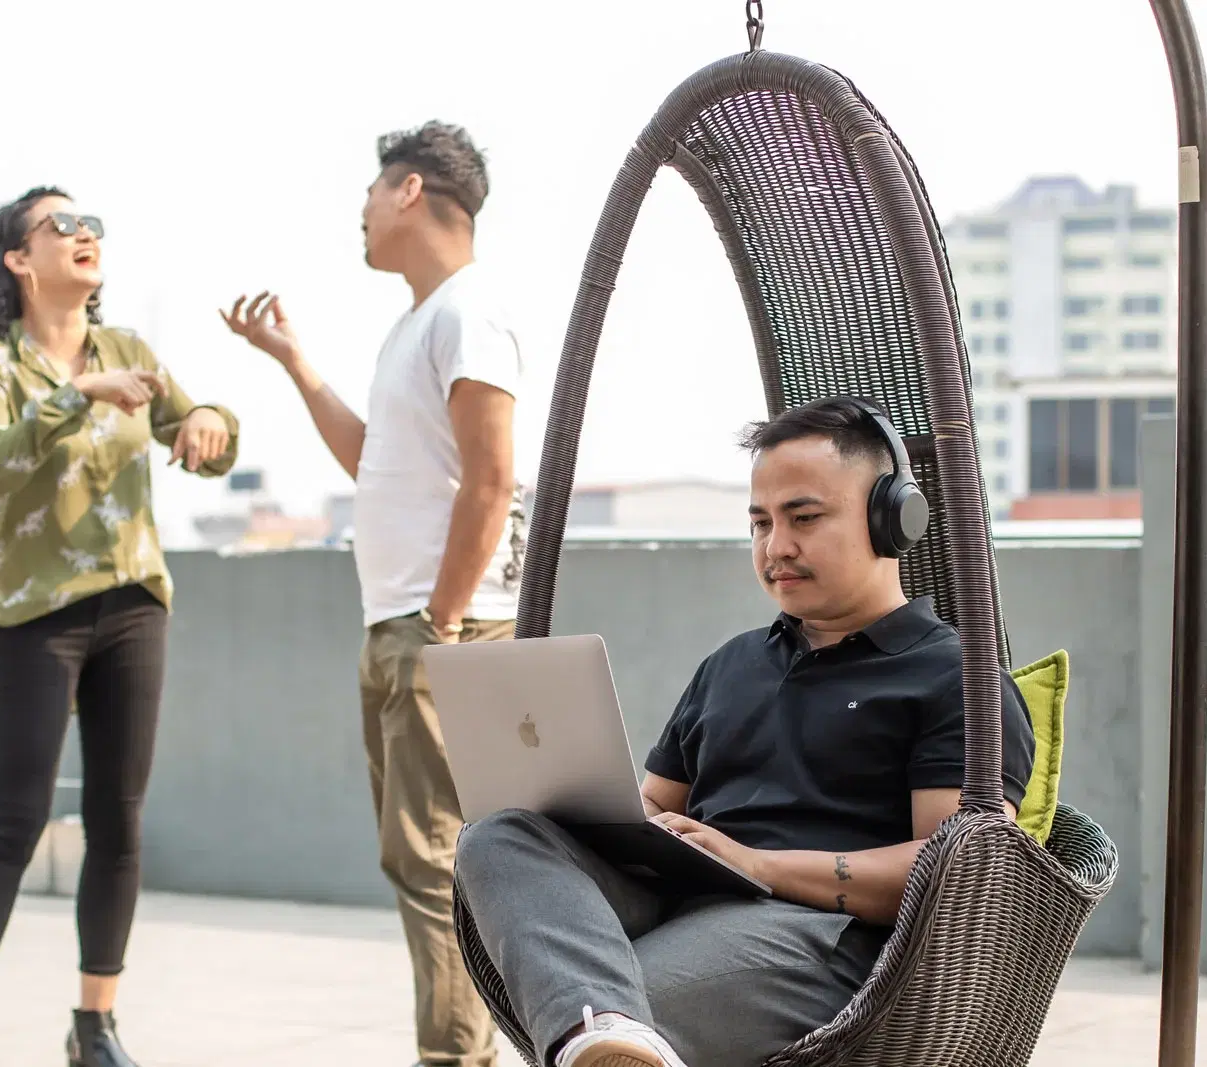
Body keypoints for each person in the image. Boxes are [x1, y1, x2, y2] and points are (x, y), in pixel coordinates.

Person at [452, 396, 1036, 1067]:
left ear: (891, 518)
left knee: (626, 1007)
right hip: (682, 898)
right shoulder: (730, 664)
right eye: (760, 522)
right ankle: (605, 1029)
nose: (776, 546)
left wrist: (756, 864)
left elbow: (954, 876)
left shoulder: (953, 678)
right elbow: (653, 804)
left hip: (819, 936)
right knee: (498, 833)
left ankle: (606, 1027)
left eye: (804, 518)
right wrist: (623, 822)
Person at [221, 120, 524, 1067]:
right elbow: (375, 462)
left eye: (369, 189)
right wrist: (296, 363)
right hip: (409, 626)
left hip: (442, 631)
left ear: (409, 191)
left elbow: (491, 477)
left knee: (437, 865)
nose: (358, 210)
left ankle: (456, 1057)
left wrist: (438, 620)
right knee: (426, 863)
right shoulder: (419, 324)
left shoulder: (468, 314)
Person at [0, 186, 240, 1067]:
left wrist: (213, 420)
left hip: (133, 602)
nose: (84, 235)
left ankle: (94, 1025)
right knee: (13, 821)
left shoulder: (130, 349)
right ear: (18, 259)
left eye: (92, 223)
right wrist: (76, 395)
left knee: (119, 821)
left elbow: (202, 433)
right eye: (60, 225)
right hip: (35, 616)